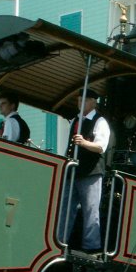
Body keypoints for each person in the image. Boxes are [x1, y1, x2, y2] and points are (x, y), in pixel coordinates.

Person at [59, 89, 110, 252]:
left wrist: (84, 143)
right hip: (73, 172)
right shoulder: (75, 120)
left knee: (90, 210)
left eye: (84, 100)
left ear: (94, 102)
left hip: (90, 172)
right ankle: (60, 241)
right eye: (79, 100)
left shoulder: (100, 121)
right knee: (66, 208)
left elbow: (101, 147)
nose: (80, 103)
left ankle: (91, 247)